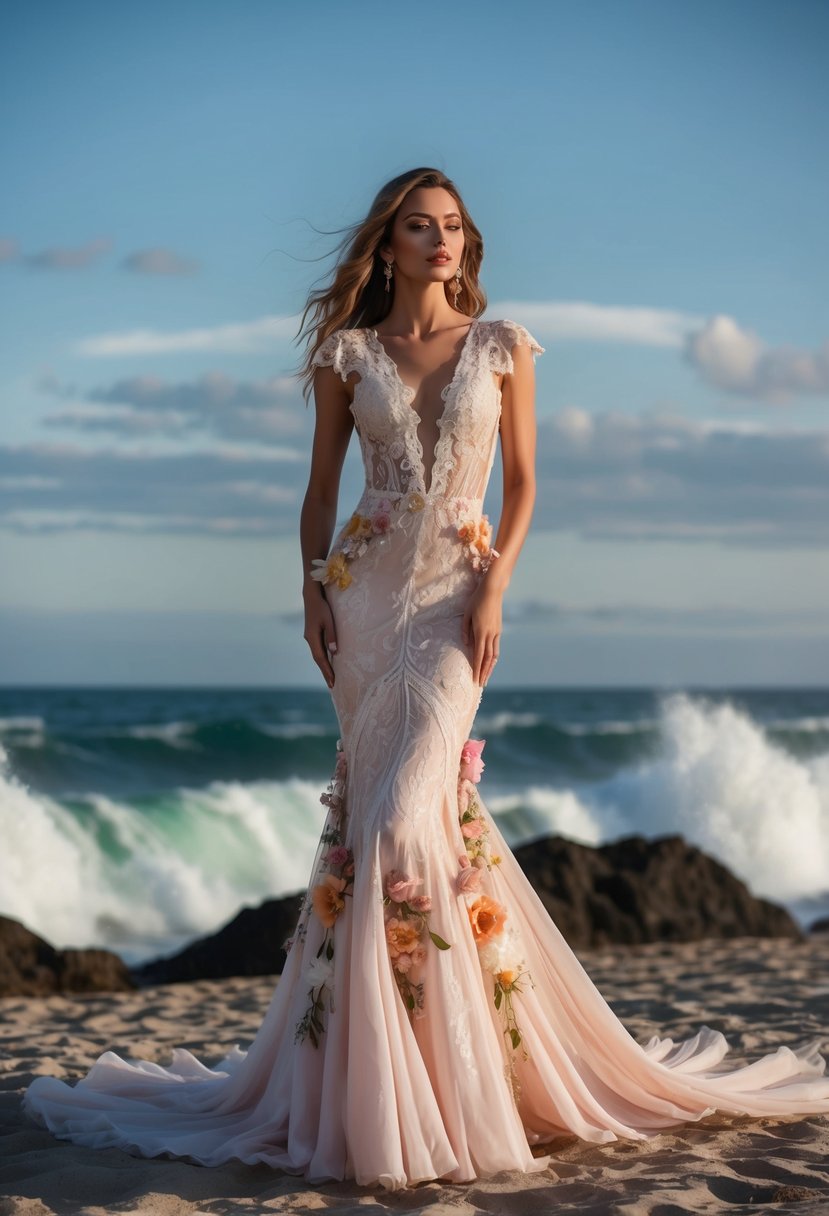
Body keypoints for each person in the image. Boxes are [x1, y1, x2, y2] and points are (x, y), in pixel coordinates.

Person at [22, 167, 829, 1191]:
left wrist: (495, 587)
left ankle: (447, 1077)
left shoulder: (502, 348)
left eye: (451, 226)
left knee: (410, 814)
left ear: (464, 242)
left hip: (456, 600)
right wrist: (312, 590)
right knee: (377, 825)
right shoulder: (348, 354)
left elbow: (528, 483)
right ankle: (381, 1085)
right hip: (362, 601)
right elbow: (319, 490)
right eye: (419, 225)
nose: (439, 240)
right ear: (389, 243)